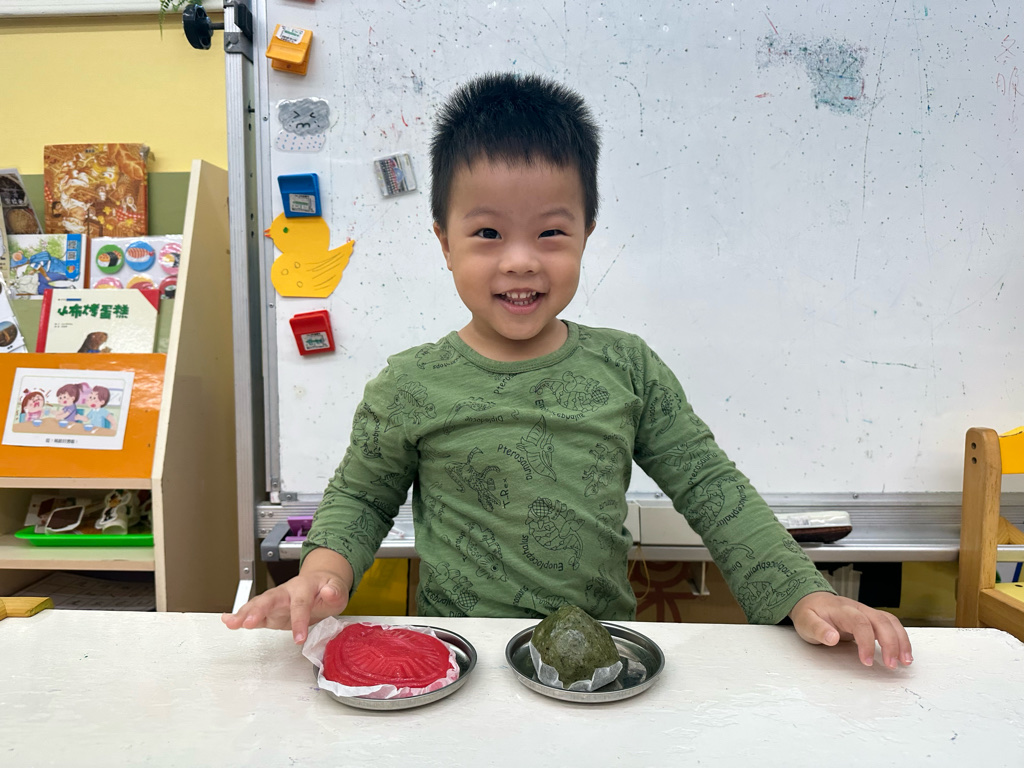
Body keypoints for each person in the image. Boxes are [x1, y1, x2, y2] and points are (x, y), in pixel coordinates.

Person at [224, 73, 913, 670]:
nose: (521, 260)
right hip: (463, 661)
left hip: (602, 660)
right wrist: (322, 575)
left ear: (586, 233)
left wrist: (804, 592)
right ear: (444, 242)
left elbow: (711, 488)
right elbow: (361, 499)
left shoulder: (627, 367)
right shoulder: (409, 384)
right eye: (488, 233)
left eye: (551, 232)